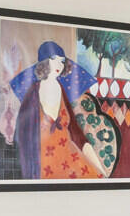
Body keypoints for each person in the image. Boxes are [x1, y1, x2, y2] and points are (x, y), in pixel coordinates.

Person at [7, 41, 104, 180]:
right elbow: (22, 136)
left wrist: (99, 168)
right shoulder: (33, 93)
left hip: (70, 158)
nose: (59, 64)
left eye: (62, 61)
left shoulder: (62, 90)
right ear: (44, 62)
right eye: (54, 59)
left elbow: (76, 132)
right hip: (41, 164)